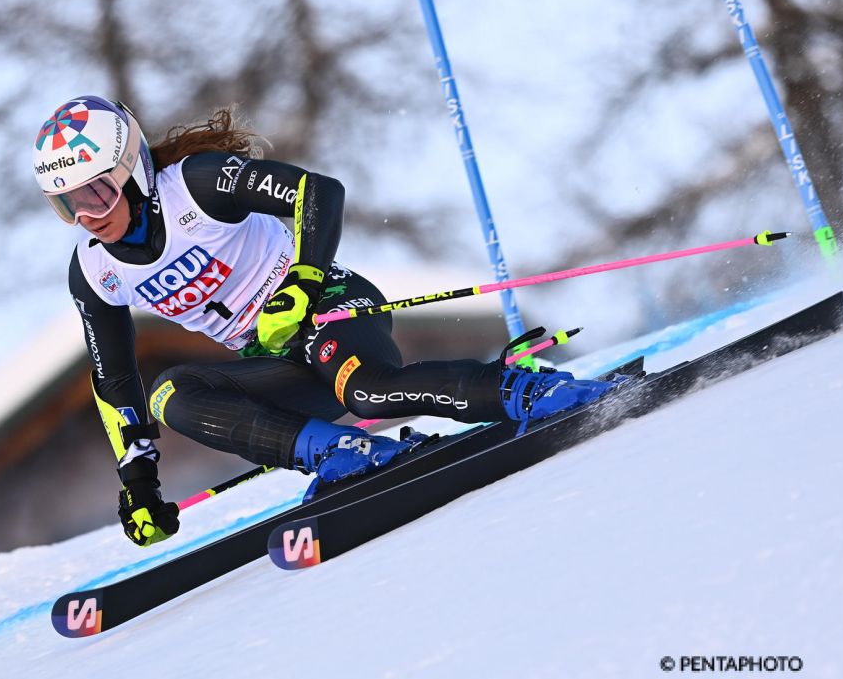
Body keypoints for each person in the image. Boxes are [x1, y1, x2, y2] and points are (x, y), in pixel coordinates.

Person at [32, 95, 622, 547]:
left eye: (99, 193)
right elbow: (114, 380)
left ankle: (530, 388)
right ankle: (338, 453)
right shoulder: (94, 270)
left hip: (327, 304)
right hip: (271, 358)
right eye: (68, 204)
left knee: (366, 391)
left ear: (132, 170)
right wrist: (138, 484)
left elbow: (319, 194)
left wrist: (301, 282)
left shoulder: (198, 186)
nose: (88, 216)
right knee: (169, 394)